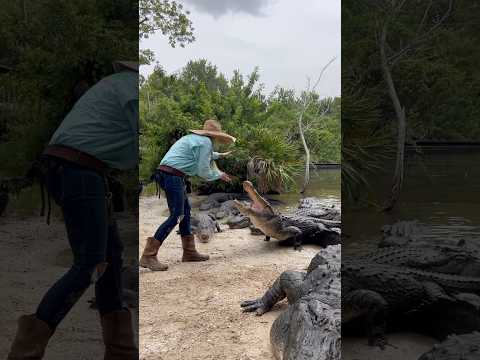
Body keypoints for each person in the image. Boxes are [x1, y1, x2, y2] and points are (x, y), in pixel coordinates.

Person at [7, 61, 139, 359]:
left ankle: (121, 352)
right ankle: (24, 352)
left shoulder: (115, 83)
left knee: (111, 260)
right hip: (80, 170)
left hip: (76, 169)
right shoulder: (133, 88)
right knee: (91, 264)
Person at [140, 119, 235, 271]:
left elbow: (207, 155)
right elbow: (203, 170)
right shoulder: (206, 143)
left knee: (186, 213)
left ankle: (189, 252)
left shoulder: (193, 139)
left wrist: (220, 155)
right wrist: (219, 175)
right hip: (173, 176)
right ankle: (148, 256)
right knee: (177, 215)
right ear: (215, 136)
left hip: (168, 174)